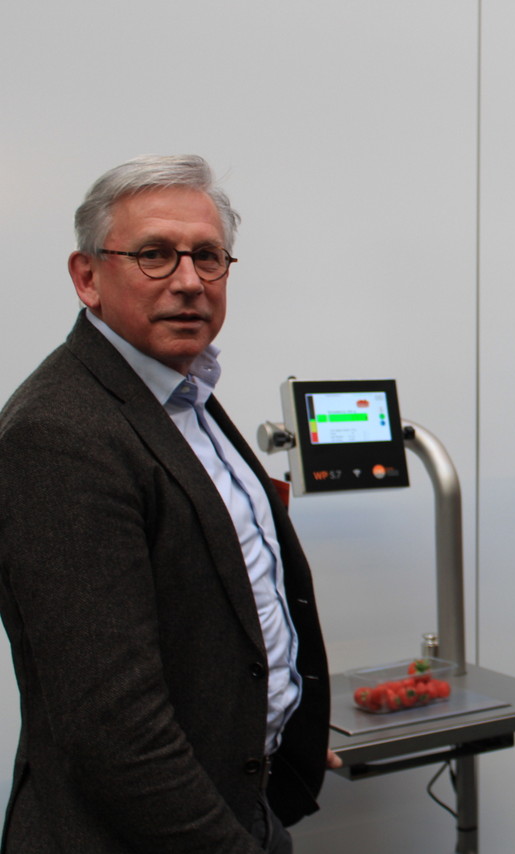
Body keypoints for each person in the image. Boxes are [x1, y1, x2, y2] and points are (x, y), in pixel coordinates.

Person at [0, 155, 334, 852]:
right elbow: (114, 733)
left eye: (207, 257)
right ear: (87, 277)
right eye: (154, 255)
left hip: (239, 798)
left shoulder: (183, 394)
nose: (188, 281)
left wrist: (281, 735)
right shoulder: (59, 434)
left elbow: (220, 610)